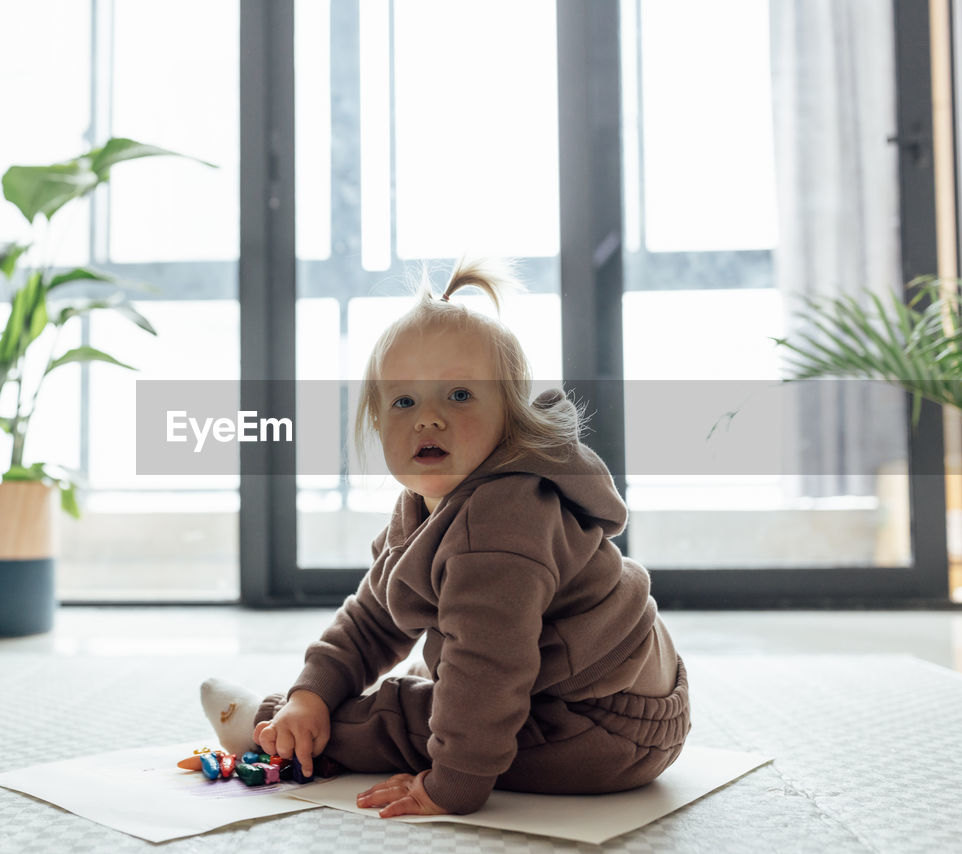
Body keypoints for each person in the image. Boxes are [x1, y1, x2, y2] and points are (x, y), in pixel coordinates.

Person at [200, 258, 689, 817]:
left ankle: (268, 729)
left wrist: (451, 785)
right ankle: (297, 712)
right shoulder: (426, 506)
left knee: (405, 716)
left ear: (511, 418)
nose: (428, 419)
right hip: (617, 694)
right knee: (435, 677)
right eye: (404, 402)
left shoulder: (500, 521)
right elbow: (373, 618)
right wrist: (310, 691)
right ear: (377, 423)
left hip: (600, 728)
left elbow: (489, 669)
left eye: (459, 395)